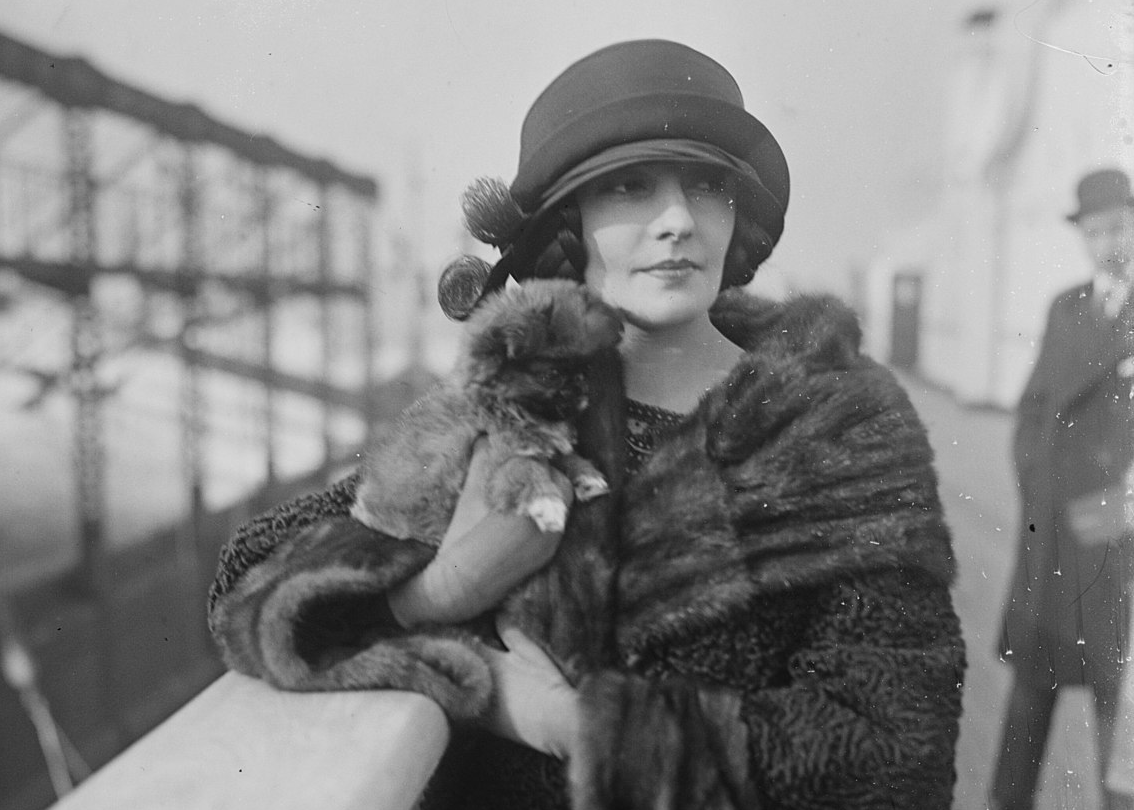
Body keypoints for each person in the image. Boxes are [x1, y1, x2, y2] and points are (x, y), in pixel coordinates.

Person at [208, 39, 965, 809]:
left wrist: (576, 727)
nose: (676, 221)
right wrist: (439, 592)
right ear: (570, 226)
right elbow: (250, 579)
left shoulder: (838, 428)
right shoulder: (516, 403)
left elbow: (894, 748)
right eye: (629, 187)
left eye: (706, 185)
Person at [989, 167, 1134, 810]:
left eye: (1120, 226)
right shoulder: (1066, 307)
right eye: (1096, 231)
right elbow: (1033, 409)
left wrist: (1116, 508)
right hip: (1052, 533)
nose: (1109, 242)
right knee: (1032, 685)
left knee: (1120, 696)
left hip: (1118, 538)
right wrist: (1037, 485)